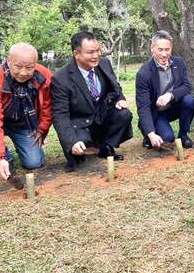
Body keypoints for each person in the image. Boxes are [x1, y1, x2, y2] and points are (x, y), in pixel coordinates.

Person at [0, 43, 52, 186]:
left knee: (34, 162)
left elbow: (48, 106)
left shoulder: (43, 76)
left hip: (23, 123)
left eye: (29, 67)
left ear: (35, 64)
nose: (23, 72)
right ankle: (6, 160)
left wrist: (41, 129)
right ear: (8, 60)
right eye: (18, 66)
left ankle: (19, 152)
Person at [52, 31, 133, 172]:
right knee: (81, 142)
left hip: (101, 114)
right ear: (76, 54)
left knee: (124, 114)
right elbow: (60, 115)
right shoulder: (60, 79)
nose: (96, 56)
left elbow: (115, 86)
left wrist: (120, 99)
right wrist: (71, 141)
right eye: (90, 52)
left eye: (97, 50)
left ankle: (105, 146)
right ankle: (81, 146)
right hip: (80, 122)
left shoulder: (104, 64)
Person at [136, 30, 194, 150]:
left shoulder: (179, 63)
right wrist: (151, 133)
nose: (164, 54)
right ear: (152, 48)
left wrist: (170, 95)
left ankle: (183, 135)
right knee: (167, 138)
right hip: (156, 112)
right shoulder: (143, 73)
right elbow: (143, 106)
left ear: (171, 48)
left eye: (167, 49)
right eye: (160, 49)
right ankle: (147, 132)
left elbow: (186, 86)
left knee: (189, 100)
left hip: (173, 107)